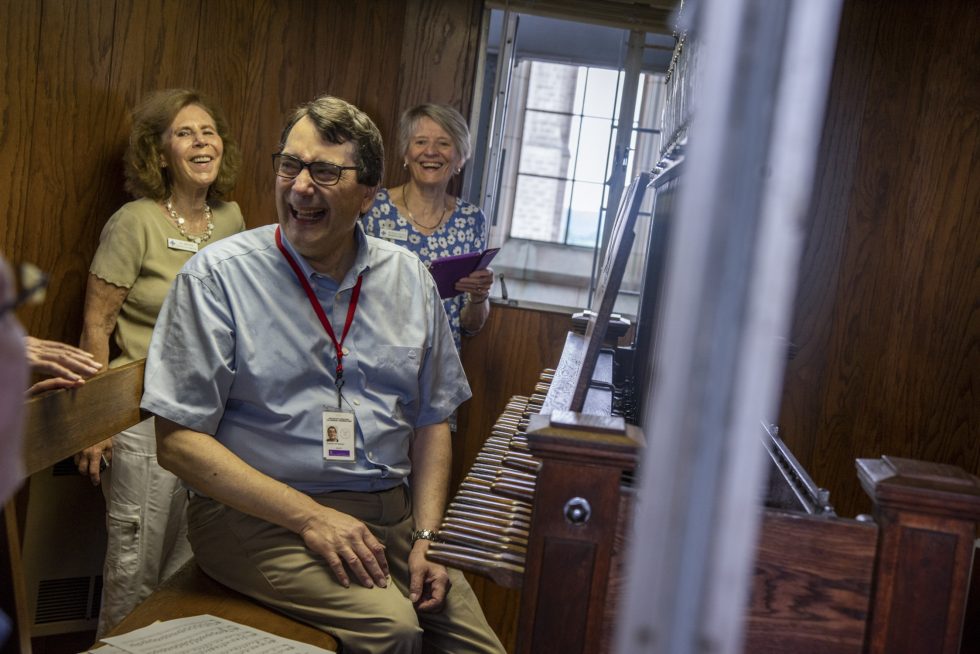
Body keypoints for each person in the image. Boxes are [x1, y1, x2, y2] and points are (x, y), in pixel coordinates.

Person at [141, 95, 504, 654]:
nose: (300, 187)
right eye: (290, 165)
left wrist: (428, 535)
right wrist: (310, 517)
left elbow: (435, 419)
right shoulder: (217, 279)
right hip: (262, 517)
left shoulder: (410, 280)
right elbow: (177, 443)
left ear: (367, 195)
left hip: (394, 513)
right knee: (395, 630)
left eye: (326, 171)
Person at [75, 88, 245, 635]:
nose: (201, 143)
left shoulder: (232, 218)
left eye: (209, 131)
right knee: (135, 565)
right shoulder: (135, 222)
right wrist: (93, 427)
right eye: (185, 133)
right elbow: (96, 328)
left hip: (212, 424)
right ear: (159, 151)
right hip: (141, 421)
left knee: (189, 566)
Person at [361, 104, 493, 351]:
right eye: (420, 142)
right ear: (405, 153)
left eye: (444, 143)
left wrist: (479, 295)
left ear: (460, 157)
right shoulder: (373, 207)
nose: (431, 152)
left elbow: (470, 327)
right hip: (374, 359)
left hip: (439, 366)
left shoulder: (472, 220)